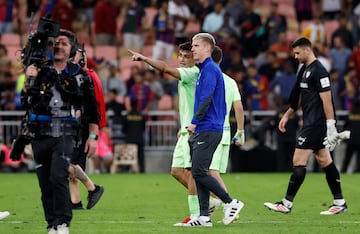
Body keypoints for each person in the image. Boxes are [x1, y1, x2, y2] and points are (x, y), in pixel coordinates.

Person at [21, 29, 99, 233]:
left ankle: (63, 223)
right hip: (40, 133)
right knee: (44, 182)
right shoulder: (39, 71)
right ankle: (52, 224)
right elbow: (24, 101)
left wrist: (93, 135)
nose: (59, 45)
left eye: (64, 43)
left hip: (65, 132)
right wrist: (28, 79)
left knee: (58, 175)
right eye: (55, 42)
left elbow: (92, 108)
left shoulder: (80, 76)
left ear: (71, 49)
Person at [264, 37, 348, 215]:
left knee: (298, 161)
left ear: (307, 50)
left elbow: (327, 100)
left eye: (297, 52)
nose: (295, 56)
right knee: (325, 160)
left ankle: (286, 204)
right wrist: (287, 114)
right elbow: (299, 97)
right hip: (310, 122)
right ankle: (339, 202)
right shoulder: (304, 69)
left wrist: (331, 125)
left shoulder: (320, 71)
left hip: (316, 124)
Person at [185, 32, 243, 227]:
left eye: (196, 45)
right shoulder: (204, 70)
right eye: (192, 46)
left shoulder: (210, 69)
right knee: (198, 171)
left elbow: (206, 98)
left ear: (208, 48)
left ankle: (230, 201)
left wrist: (194, 121)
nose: (192, 49)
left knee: (199, 171)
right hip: (205, 127)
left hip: (208, 127)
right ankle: (204, 216)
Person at [69, 44, 105, 210]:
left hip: (81, 125)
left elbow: (93, 105)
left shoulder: (86, 76)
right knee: (71, 164)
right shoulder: (86, 75)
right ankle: (75, 201)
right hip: (78, 124)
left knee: (69, 162)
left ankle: (92, 188)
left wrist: (94, 134)